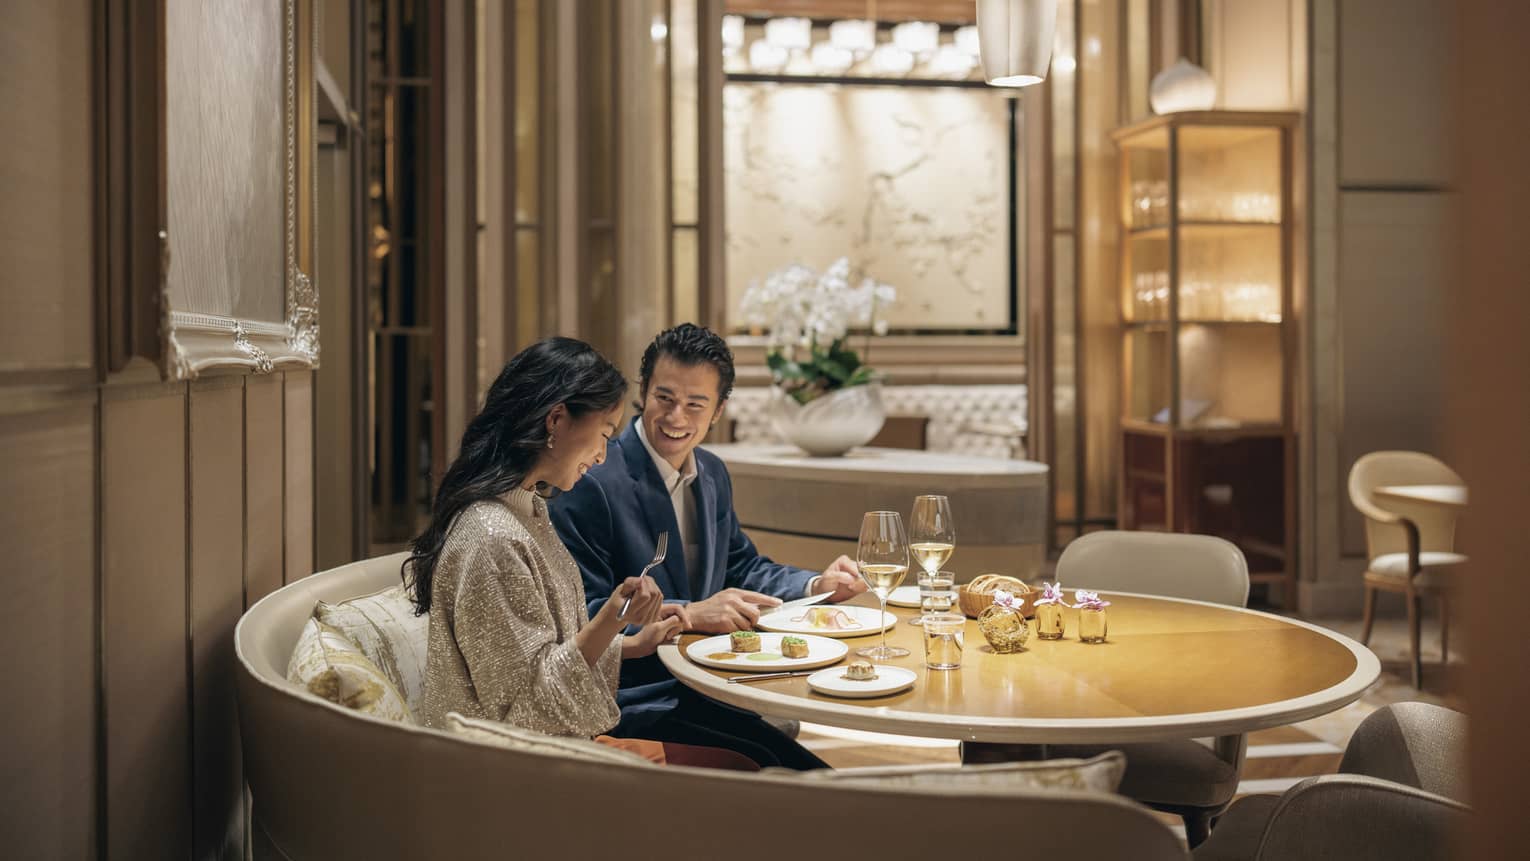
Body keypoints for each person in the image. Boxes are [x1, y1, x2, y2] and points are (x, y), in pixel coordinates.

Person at [406, 337, 756, 770]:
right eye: (604, 434)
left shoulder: (527, 509)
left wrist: (630, 643)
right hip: (515, 773)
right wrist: (612, 620)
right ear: (556, 421)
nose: (603, 454)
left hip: (553, 748)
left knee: (759, 759)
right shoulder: (493, 535)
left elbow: (541, 659)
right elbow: (528, 707)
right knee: (751, 771)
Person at [549, 323, 867, 769]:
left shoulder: (713, 473)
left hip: (709, 680)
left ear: (718, 411)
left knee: (808, 772)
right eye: (665, 398)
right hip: (638, 696)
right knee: (789, 772)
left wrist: (817, 583)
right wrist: (692, 614)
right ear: (643, 391)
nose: (676, 417)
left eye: (695, 404)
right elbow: (582, 610)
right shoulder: (592, 478)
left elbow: (741, 566)